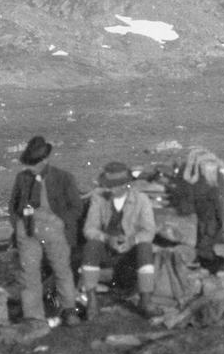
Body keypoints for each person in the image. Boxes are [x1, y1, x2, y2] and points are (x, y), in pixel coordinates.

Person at [8, 135, 83, 330]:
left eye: (34, 163)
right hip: (28, 230)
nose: (30, 167)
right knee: (29, 274)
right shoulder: (22, 178)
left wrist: (58, 222)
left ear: (45, 160)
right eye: (28, 163)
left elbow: (76, 208)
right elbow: (13, 206)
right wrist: (18, 226)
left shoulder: (64, 178)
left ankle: (69, 310)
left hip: (55, 231)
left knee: (62, 270)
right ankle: (34, 317)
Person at [81, 161, 159, 316]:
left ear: (126, 185)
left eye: (114, 185)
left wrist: (132, 241)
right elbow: (89, 228)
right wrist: (107, 238)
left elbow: (149, 230)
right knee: (91, 246)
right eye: (108, 185)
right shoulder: (99, 198)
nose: (110, 188)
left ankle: (146, 300)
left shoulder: (141, 200)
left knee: (145, 247)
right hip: (108, 250)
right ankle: (92, 301)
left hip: (130, 253)